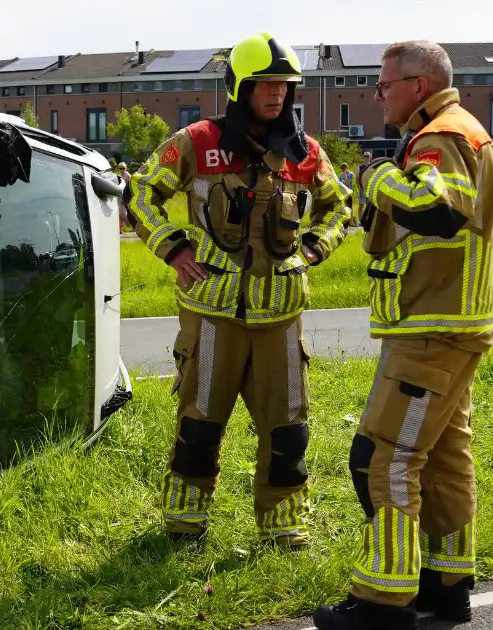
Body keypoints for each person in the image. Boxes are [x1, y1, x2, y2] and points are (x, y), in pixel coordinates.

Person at [126, 32, 353, 550]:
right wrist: (173, 249)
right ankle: (184, 526)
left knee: (288, 429)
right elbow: (140, 193)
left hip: (281, 319)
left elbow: (341, 206)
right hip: (211, 318)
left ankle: (284, 528)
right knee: (200, 424)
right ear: (240, 88)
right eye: (265, 84)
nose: (276, 94)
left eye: (285, 85)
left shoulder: (306, 152)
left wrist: (315, 249)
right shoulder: (196, 142)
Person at [312, 40, 493, 630]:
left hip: (431, 328)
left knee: (381, 459)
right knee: (444, 461)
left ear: (419, 85)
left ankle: (382, 601)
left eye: (383, 84)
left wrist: (374, 179)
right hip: (453, 324)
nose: (377, 94)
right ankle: (447, 587)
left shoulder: (439, 137)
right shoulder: (465, 131)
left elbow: (437, 209)